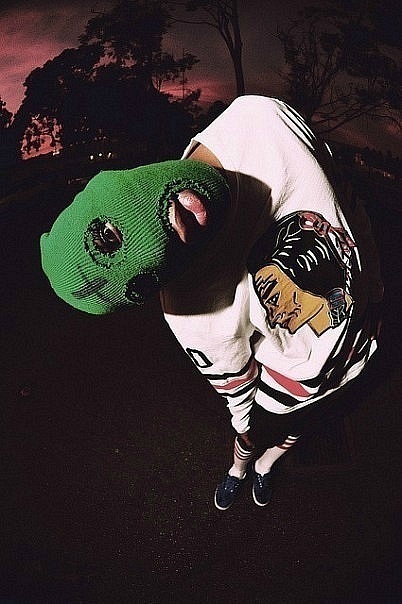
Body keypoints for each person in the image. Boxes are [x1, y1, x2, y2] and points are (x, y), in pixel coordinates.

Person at [40, 96, 383, 510]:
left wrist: (373, 291)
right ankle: (239, 470)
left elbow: (346, 201)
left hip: (359, 354)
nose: (177, 234)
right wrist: (246, 424)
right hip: (286, 386)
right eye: (141, 283)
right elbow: (233, 379)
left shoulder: (261, 119)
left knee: (303, 428)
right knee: (264, 432)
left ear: (103, 187)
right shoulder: (189, 309)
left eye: (108, 236)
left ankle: (266, 467)